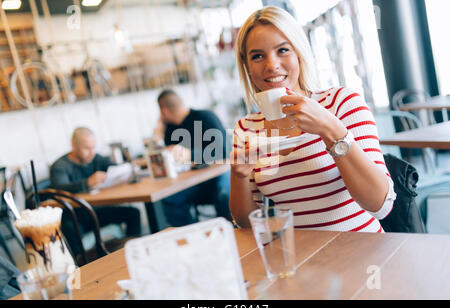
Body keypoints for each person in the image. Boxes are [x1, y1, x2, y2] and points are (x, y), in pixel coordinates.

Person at [230, 6, 396, 232]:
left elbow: (381, 206)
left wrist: (331, 130)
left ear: (299, 53)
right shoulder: (246, 128)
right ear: (247, 66)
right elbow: (248, 224)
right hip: (304, 261)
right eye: (257, 56)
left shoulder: (341, 103)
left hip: (365, 256)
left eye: (282, 50)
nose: (271, 65)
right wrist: (238, 176)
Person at [50, 127, 141, 261]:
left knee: (133, 213)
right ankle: (83, 265)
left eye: (93, 147)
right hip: (76, 216)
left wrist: (123, 172)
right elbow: (60, 188)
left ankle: (134, 255)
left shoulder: (95, 158)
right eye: (87, 148)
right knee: (70, 226)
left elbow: (115, 168)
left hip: (96, 211)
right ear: (74, 146)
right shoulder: (60, 166)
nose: (91, 153)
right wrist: (87, 182)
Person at [153, 89, 231, 227]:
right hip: (194, 181)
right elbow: (168, 159)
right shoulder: (170, 128)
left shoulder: (205, 117)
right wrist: (157, 135)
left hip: (219, 175)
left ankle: (232, 230)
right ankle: (189, 235)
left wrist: (189, 154)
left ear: (164, 111)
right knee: (170, 198)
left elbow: (223, 151)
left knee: (223, 192)